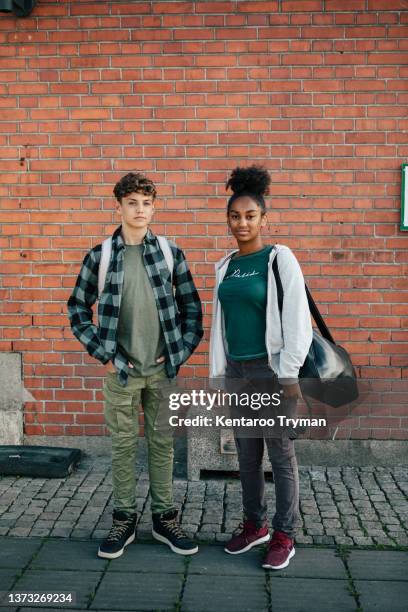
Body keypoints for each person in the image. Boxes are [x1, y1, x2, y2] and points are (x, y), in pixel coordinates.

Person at [67, 172, 203, 559]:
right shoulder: (101, 255)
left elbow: (193, 309)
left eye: (146, 203)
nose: (139, 209)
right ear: (119, 206)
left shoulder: (169, 253)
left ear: (154, 207)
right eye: (132, 203)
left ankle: (164, 519)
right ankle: (123, 520)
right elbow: (77, 309)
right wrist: (104, 354)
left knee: (162, 445)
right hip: (122, 374)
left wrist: (178, 352)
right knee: (123, 446)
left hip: (161, 373)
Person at [209, 165, 313, 570]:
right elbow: (222, 326)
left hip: (271, 372)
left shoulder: (278, 258)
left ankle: (285, 533)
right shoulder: (226, 266)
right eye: (235, 216)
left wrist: (289, 377)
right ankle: (257, 525)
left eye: (250, 215)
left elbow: (297, 320)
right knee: (246, 456)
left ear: (264, 219)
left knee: (281, 455)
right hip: (237, 372)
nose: (242, 222)